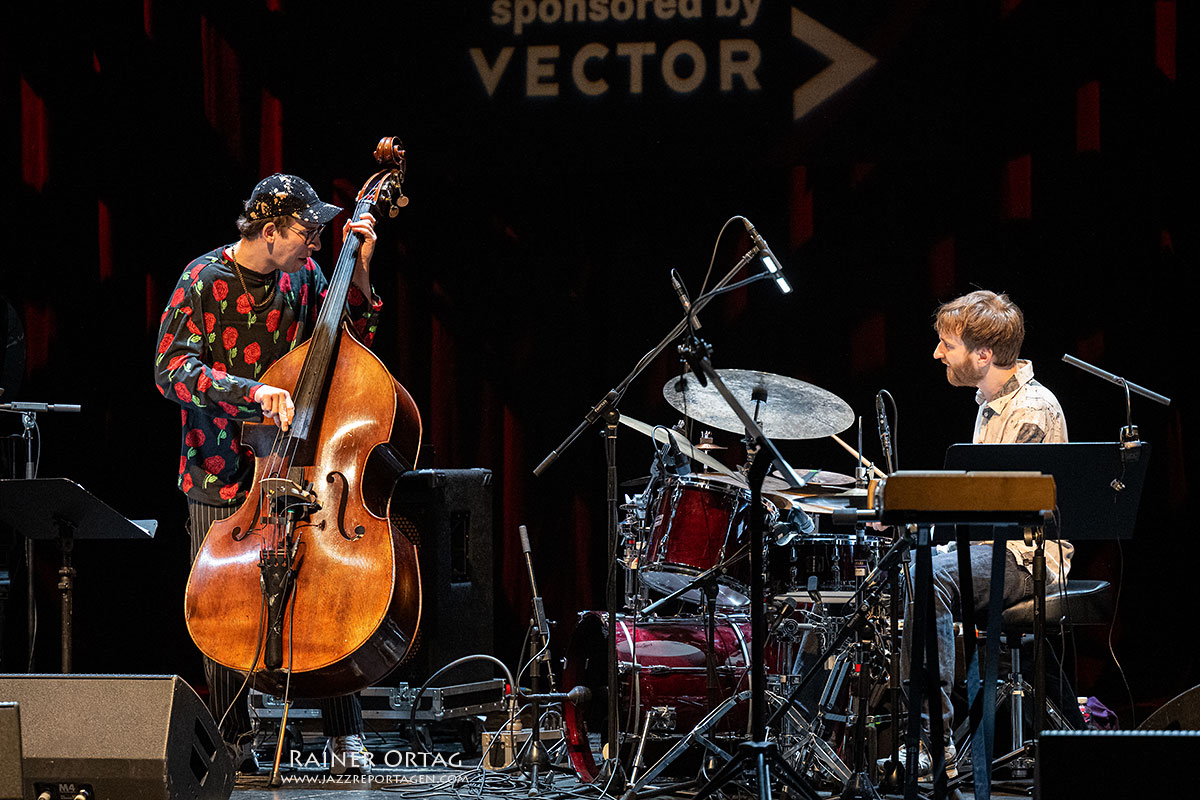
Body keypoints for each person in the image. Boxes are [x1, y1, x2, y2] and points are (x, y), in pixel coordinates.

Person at [154, 174, 380, 776]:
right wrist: (250, 391)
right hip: (220, 468)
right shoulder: (201, 280)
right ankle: (235, 738)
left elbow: (348, 349)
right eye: (307, 230)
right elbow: (170, 369)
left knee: (322, 590)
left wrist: (356, 279)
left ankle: (344, 735)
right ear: (271, 229)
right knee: (222, 603)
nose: (316, 241)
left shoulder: (305, 277)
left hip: (301, 462)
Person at [901, 289, 1073, 780]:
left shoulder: (1031, 409)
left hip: (1026, 559)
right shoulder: (990, 403)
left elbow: (1011, 515)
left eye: (946, 344)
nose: (937, 353)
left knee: (927, 573)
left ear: (983, 354)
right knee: (909, 563)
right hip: (992, 548)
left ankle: (933, 742)